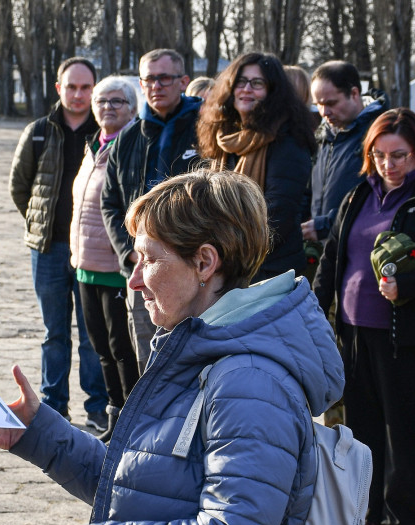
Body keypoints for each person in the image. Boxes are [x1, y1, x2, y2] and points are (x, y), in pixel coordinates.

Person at [0, 170, 343, 525]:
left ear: (205, 263)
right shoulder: (198, 353)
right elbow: (148, 487)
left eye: (149, 260)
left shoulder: (249, 382)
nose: (134, 281)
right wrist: (38, 433)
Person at [313, 108, 415, 525]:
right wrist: (316, 310)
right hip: (355, 334)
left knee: (407, 435)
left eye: (399, 155)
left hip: (409, 338)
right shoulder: (358, 194)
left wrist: (410, 287)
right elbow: (333, 256)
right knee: (363, 434)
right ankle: (369, 519)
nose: (389, 164)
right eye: (379, 155)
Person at [11, 56, 110, 430]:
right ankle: (53, 406)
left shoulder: (107, 132)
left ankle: (98, 407)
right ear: (59, 88)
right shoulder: (38, 131)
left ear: (95, 89)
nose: (79, 94)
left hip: (92, 252)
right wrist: (42, 225)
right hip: (49, 250)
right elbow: (20, 186)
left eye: (86, 87)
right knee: (54, 333)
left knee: (91, 334)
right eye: (72, 86)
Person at [102, 48, 203, 375]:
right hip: (142, 271)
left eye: (164, 78)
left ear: (183, 82)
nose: (156, 86)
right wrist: (130, 255)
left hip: (193, 272)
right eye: (149, 79)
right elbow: (111, 202)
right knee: (150, 362)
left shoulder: (205, 131)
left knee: (194, 361)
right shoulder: (128, 138)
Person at [196, 52, 315, 282]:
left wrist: (227, 249)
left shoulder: (287, 139)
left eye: (257, 83)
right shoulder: (224, 137)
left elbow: (278, 214)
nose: (247, 89)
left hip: (268, 269)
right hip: (225, 265)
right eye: (240, 82)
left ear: (273, 91)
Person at [70, 76, 141, 439]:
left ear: (132, 108)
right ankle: (114, 417)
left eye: (117, 101)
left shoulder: (132, 146)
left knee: (122, 349)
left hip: (116, 266)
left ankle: (131, 420)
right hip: (85, 266)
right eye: (102, 101)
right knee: (100, 348)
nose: (107, 108)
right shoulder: (92, 146)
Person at [303, 60, 388, 244]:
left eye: (331, 103)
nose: (324, 112)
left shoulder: (379, 134)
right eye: (318, 104)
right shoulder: (324, 136)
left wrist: (327, 225)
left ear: (354, 93)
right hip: (324, 251)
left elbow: (380, 199)